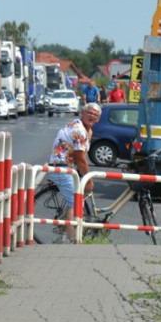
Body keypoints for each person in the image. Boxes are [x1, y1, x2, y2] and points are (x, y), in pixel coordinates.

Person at [38, 102, 102, 244]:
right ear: (82, 113)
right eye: (89, 113)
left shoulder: (84, 129)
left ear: (98, 119)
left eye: (95, 115)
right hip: (62, 168)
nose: (92, 116)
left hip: (67, 168)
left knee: (75, 198)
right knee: (76, 204)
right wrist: (88, 180)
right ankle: (73, 241)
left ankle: (63, 233)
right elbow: (80, 158)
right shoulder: (79, 130)